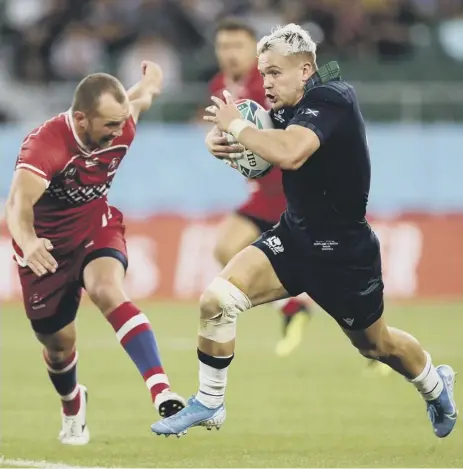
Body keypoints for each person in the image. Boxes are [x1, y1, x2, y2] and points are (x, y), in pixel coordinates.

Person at [151, 24, 458, 438]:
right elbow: (263, 147)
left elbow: (291, 152)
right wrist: (221, 143)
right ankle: (210, 401)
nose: (268, 83)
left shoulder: (332, 98)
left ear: (306, 69)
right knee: (216, 300)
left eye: (275, 73)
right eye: (264, 73)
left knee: (376, 345)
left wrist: (239, 129)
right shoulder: (279, 108)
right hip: (294, 237)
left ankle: (435, 385)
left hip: (345, 252)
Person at [5, 62, 185, 446]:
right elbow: (18, 206)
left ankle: (162, 391)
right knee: (58, 346)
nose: (119, 133)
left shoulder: (123, 123)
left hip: (95, 226)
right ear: (82, 119)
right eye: (109, 126)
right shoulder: (45, 145)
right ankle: (72, 403)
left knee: (107, 290)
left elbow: (141, 97)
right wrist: (29, 240)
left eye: (121, 123)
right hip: (46, 249)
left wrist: (152, 79)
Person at [210, 17, 311, 357]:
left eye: (238, 46)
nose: (230, 54)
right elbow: (226, 137)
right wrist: (214, 142)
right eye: (224, 46)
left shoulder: (270, 83)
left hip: (293, 190)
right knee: (225, 248)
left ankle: (376, 345)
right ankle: (291, 309)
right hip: (262, 194)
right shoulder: (219, 87)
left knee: (332, 280)